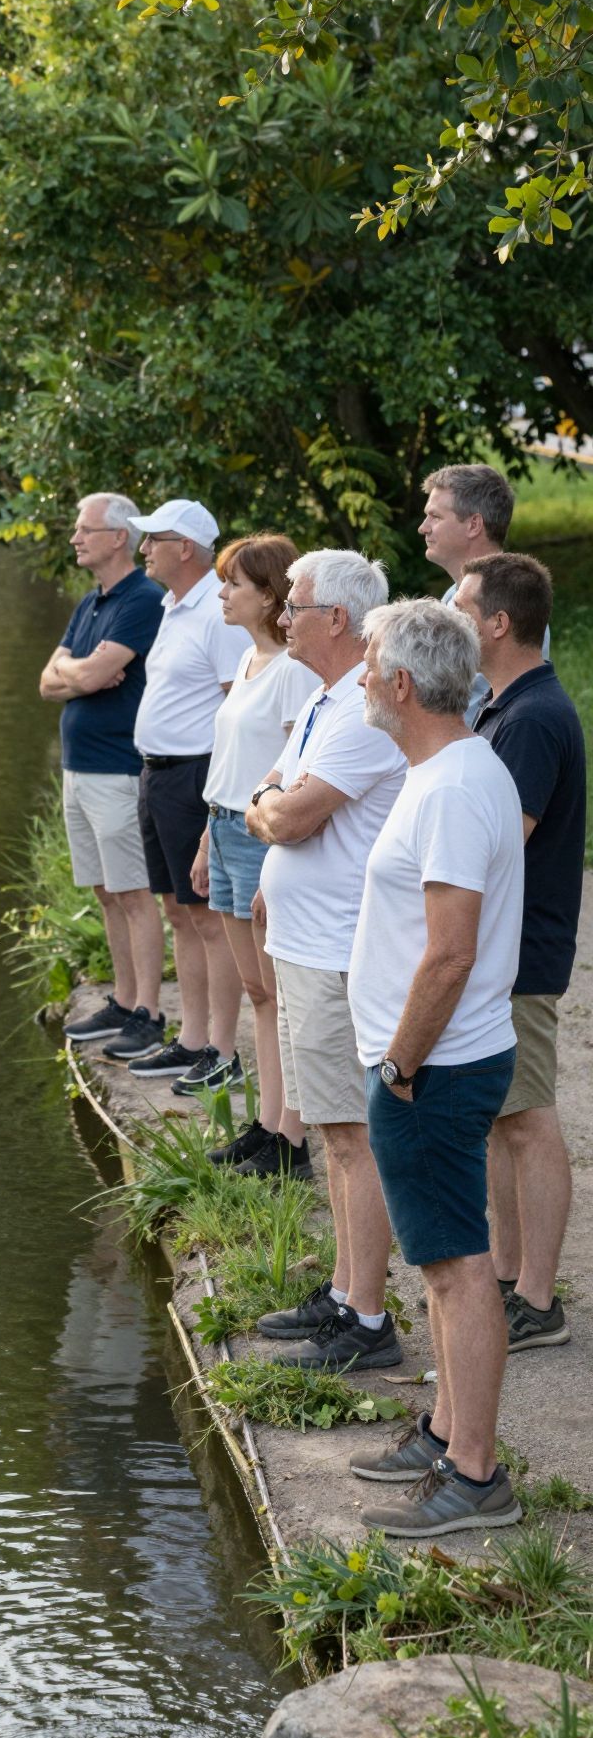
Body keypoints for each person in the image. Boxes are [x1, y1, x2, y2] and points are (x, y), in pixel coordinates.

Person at [346, 596, 525, 1536]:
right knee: (442, 1262)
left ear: (404, 684)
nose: (362, 679)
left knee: (458, 1269)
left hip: (435, 1069)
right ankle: (449, 1429)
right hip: (440, 1063)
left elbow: (450, 953)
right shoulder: (451, 769)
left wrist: (401, 1065)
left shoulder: (452, 787)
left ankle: (477, 1476)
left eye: (370, 665)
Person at [245, 550, 407, 1368]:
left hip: (342, 950)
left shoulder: (364, 710)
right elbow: (265, 795)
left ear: (336, 619)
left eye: (295, 606)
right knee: (335, 1133)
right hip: (307, 945)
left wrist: (272, 810)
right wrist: (270, 808)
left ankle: (369, 1322)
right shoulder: (323, 699)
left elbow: (292, 813)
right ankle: (346, 1291)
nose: (282, 618)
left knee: (352, 1136)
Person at [456, 551, 586, 1354]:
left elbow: (506, 838)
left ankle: (539, 1298)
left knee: (531, 1119)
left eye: (464, 609)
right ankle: (510, 1279)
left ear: (498, 623)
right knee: (506, 1118)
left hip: (522, 950)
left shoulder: (533, 717)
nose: (454, 620)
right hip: (502, 948)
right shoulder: (506, 703)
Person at [184, 533, 317, 1175]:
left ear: (270, 595)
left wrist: (253, 840)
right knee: (257, 991)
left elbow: (293, 770)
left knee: (278, 990)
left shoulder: (295, 672)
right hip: (225, 827)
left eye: (234, 583)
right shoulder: (246, 662)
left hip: (260, 835)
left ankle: (292, 1137)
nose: (223, 593)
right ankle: (267, 1125)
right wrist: (209, 837)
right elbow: (229, 760)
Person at [114, 498, 250, 1086]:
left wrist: (217, 797)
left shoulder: (217, 616)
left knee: (208, 916)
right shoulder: (174, 607)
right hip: (159, 773)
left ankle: (221, 1049)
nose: (143, 548)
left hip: (197, 775)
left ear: (185, 548)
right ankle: (192, 1038)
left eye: (153, 539)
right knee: (178, 911)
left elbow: (235, 704)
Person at [39, 494, 167, 1061]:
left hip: (118, 769)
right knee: (103, 890)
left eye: (85, 529)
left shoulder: (143, 599)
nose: (75, 538)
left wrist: (84, 674)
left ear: (119, 537)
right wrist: (81, 675)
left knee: (134, 894)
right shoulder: (93, 602)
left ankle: (150, 1012)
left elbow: (90, 674)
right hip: (78, 771)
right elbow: (50, 681)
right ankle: (121, 997)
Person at [418, 462, 549, 719]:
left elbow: (462, 713)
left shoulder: (512, 604)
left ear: (474, 525)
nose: (423, 527)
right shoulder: (453, 596)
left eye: (435, 516)